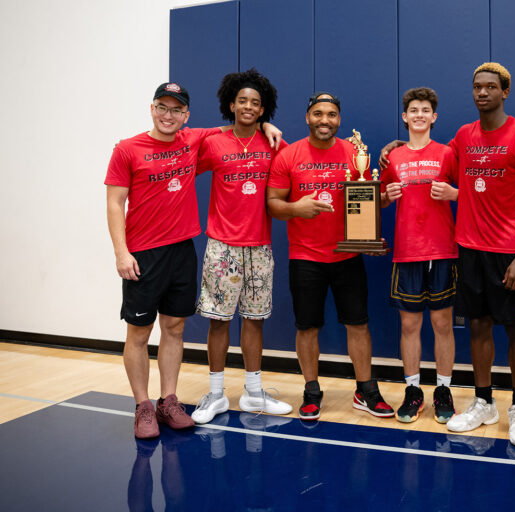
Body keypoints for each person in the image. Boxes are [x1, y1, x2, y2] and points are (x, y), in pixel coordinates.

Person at [105, 82, 282, 438]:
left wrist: (265, 125)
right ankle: (142, 406)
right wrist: (121, 253)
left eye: (177, 110)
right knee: (138, 334)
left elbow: (235, 125)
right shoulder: (127, 149)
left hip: (182, 249)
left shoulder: (192, 139)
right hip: (143, 254)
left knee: (174, 329)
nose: (169, 115)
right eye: (163, 108)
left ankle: (168, 400)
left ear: (186, 116)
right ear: (152, 109)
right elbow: (114, 203)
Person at [266, 92, 394, 420]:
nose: (325, 120)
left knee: (359, 324)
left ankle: (365, 389)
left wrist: (380, 208)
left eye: (332, 114)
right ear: (308, 117)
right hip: (305, 257)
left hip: (347, 255)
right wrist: (298, 208)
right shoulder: (288, 155)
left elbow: (366, 198)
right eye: (319, 113)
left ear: (339, 120)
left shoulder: (355, 153)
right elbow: (274, 204)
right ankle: (311, 389)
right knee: (307, 327)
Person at [442, 63, 515, 447]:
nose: (482, 92)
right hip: (470, 250)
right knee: (478, 326)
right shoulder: (463, 136)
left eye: (490, 87)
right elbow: (436, 158)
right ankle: (484, 402)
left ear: (505, 91)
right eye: (477, 86)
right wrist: (397, 148)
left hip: (510, 253)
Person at [190, 69, 292, 425]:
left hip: (260, 247)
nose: (249, 107)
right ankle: (216, 394)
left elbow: (295, 175)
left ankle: (253, 392)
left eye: (256, 103)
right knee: (219, 323)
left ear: (264, 109)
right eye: (243, 101)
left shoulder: (275, 144)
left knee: (254, 321)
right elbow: (183, 160)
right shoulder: (214, 143)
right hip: (222, 246)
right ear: (230, 104)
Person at [380, 87, 459, 424]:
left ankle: (443, 389)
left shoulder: (448, 153)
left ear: (434, 116)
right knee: (409, 324)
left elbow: (468, 195)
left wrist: (452, 193)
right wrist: (387, 195)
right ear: (405, 116)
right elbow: (378, 200)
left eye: (426, 110)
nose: (419, 115)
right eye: (414, 110)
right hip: (407, 251)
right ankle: (413, 391)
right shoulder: (392, 157)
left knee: (442, 324)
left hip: (442, 249)